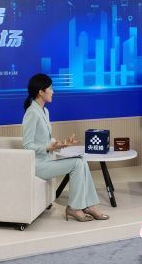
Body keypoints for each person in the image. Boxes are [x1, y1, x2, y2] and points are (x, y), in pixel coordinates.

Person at [22, 73, 109, 222]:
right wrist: (48, 147)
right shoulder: (32, 113)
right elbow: (27, 145)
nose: (53, 92)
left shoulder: (44, 111)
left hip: (48, 160)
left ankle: (90, 206)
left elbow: (45, 140)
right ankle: (74, 208)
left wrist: (62, 143)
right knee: (77, 164)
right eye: (50, 88)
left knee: (81, 160)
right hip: (38, 165)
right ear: (41, 92)